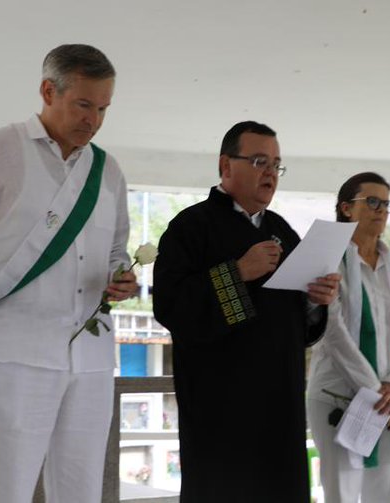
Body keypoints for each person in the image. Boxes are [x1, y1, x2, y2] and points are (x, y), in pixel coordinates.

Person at [0, 44, 136, 502]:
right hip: (17, 353)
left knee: (82, 492)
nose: (93, 120)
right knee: (7, 490)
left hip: (92, 358)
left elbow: (117, 250)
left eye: (102, 109)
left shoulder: (107, 170)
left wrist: (124, 278)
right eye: (83, 105)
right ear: (48, 91)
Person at [152, 121, 339, 501]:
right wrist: (237, 273)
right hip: (220, 407)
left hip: (279, 402)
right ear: (225, 166)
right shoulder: (190, 227)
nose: (270, 173)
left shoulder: (282, 231)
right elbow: (171, 307)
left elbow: (297, 325)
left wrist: (315, 301)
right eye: (258, 161)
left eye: (276, 164)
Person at [306, 172, 390, 502]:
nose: (381, 209)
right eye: (372, 202)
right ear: (345, 208)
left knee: (385, 494)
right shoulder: (328, 261)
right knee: (341, 493)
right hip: (339, 395)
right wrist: (374, 390)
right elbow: (332, 331)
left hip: (389, 399)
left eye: (386, 203)